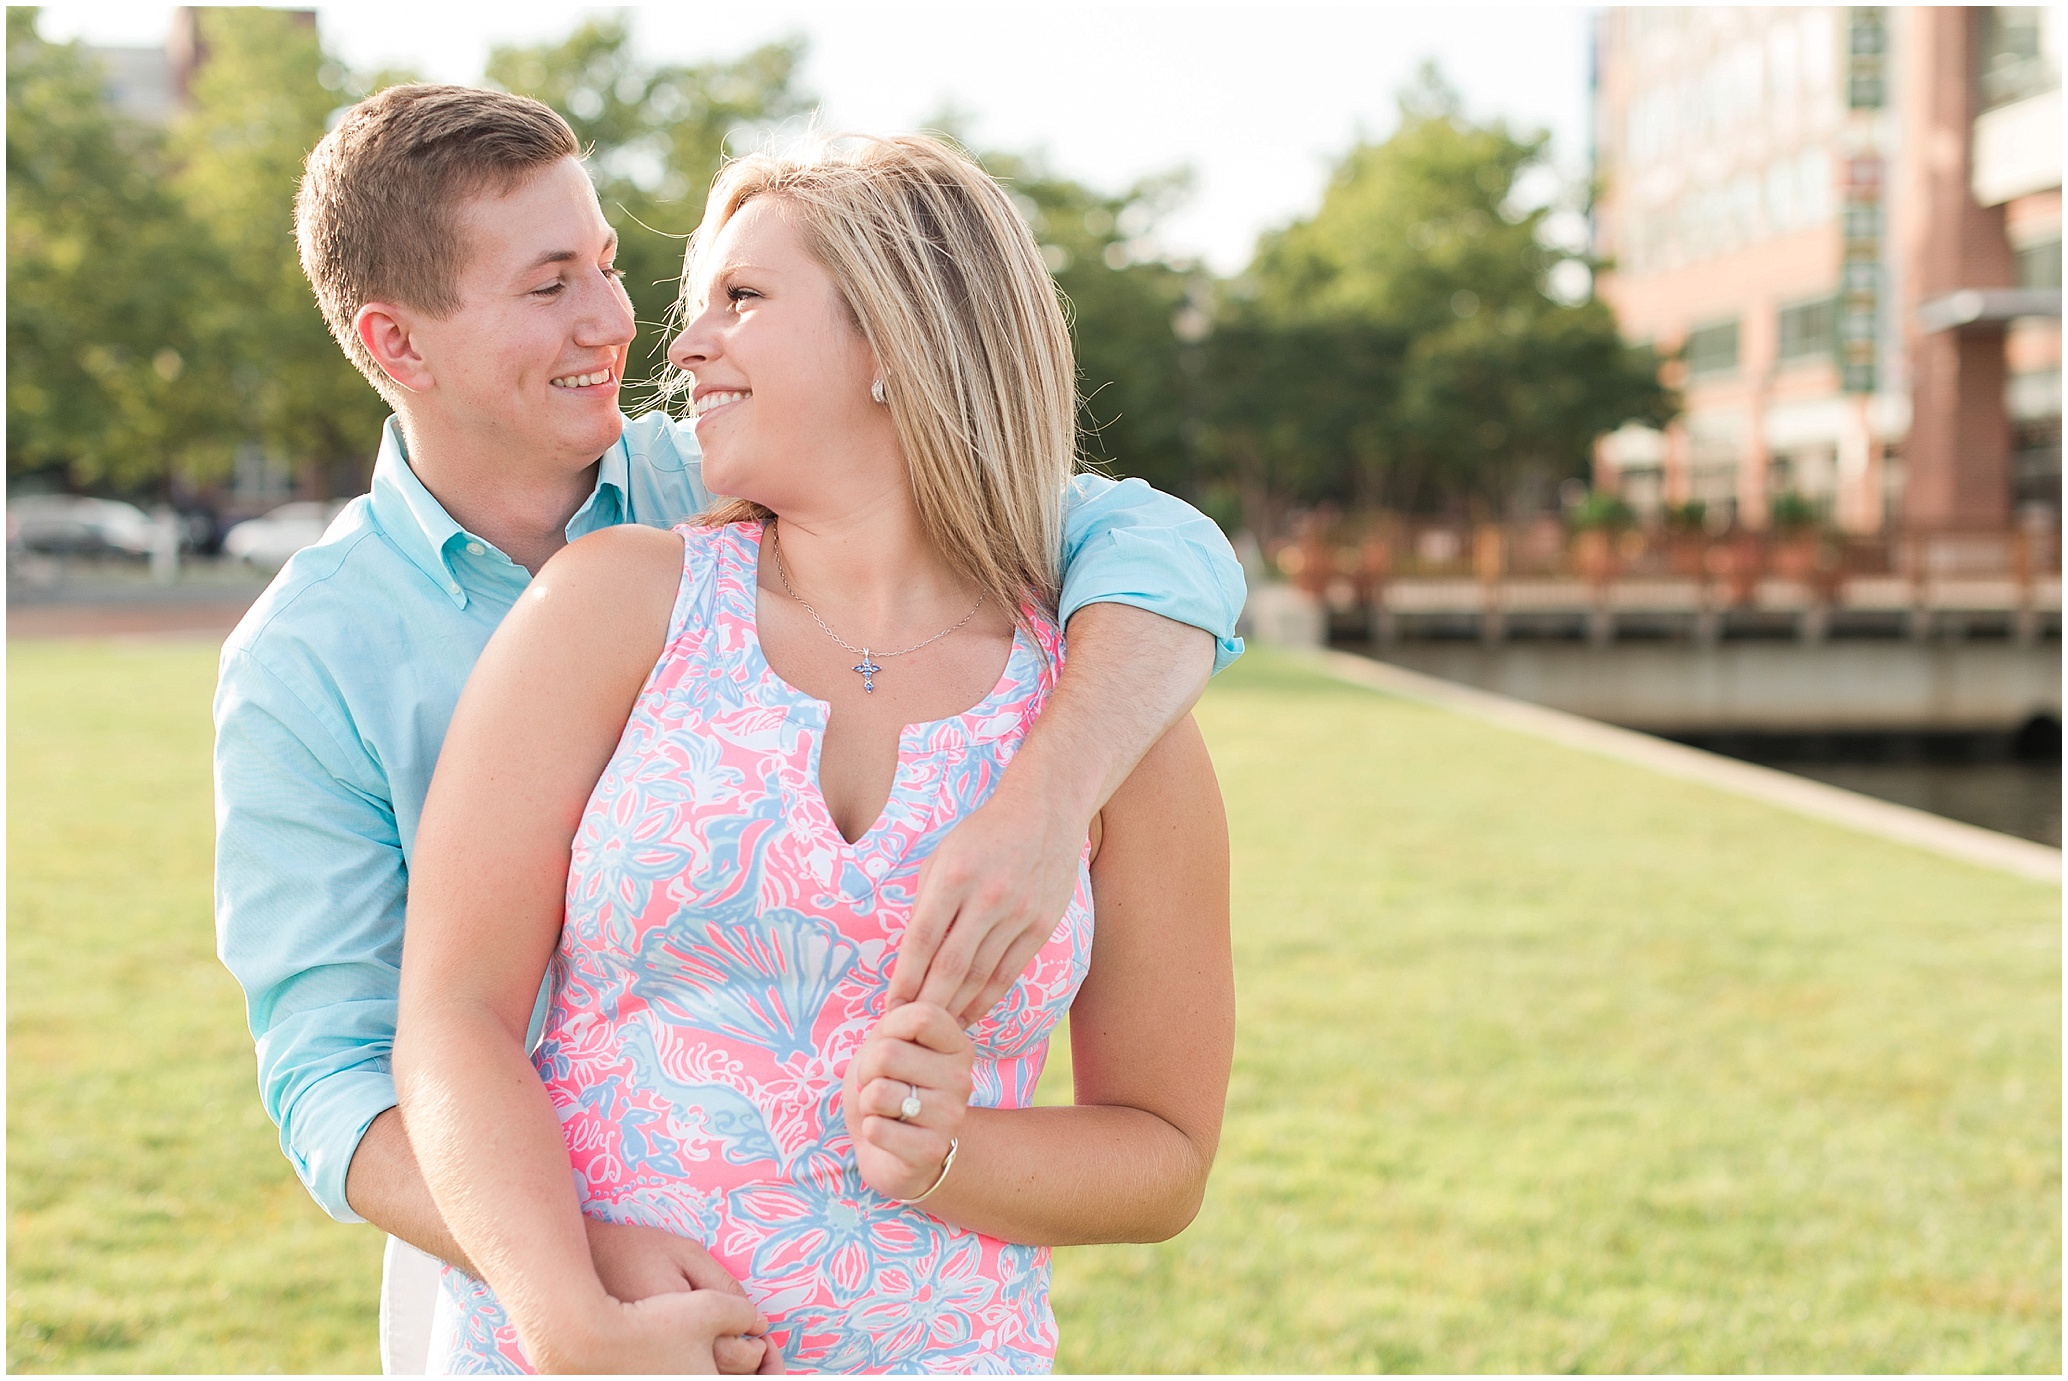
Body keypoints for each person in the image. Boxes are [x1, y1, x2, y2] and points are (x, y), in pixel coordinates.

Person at [212, 89, 1245, 1373]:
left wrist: (1050, 798)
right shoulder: (345, 651)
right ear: (398, 343)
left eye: (611, 268)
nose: (641, 332)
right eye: (550, 286)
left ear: (896, 340)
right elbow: (348, 1061)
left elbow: (1151, 540)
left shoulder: (1067, 666)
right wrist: (571, 1288)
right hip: (526, 1275)